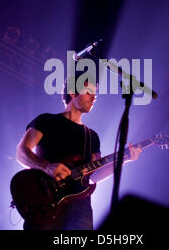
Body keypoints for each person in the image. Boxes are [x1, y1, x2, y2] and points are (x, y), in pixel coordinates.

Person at [15, 73, 142, 230]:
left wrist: (124, 159)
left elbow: (95, 175)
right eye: (89, 92)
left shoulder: (92, 136)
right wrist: (46, 166)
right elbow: (21, 152)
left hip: (81, 209)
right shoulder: (46, 121)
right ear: (73, 92)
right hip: (45, 201)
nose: (93, 98)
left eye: (95, 94)